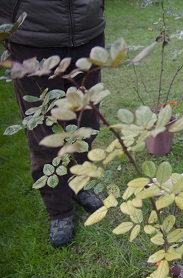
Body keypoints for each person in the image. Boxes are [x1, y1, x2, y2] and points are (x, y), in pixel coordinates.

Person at [0, 0, 106, 247]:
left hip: (87, 34)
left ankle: (79, 184)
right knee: (43, 134)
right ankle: (60, 209)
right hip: (31, 39)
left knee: (86, 125)